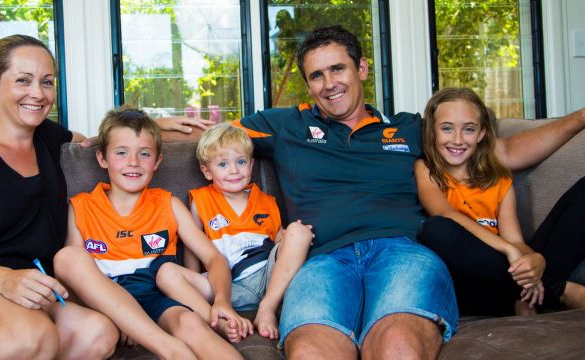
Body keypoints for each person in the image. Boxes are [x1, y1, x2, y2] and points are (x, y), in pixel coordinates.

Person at [225, 25, 585, 359]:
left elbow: (504, 152)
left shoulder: (408, 128)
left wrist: (580, 117)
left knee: (399, 346)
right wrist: (167, 123)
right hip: (322, 260)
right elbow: (214, 137)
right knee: (310, 352)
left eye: (338, 69)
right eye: (316, 75)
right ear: (308, 84)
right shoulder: (287, 124)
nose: (328, 83)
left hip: (403, 253)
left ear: (362, 69)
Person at [0, 34, 118, 359]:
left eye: (47, 82)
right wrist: (5, 280)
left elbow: (98, 141)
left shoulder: (49, 137)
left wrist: (154, 124)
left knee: (97, 334)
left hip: (33, 284)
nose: (38, 94)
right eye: (23, 80)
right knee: (31, 336)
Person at [53, 107, 245, 359]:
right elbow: (73, 279)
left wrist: (221, 301)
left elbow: (214, 259)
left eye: (144, 154)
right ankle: (167, 347)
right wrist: (118, 317)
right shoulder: (80, 207)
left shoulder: (169, 204)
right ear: (102, 158)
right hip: (106, 303)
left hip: (156, 296)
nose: (133, 162)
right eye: (121, 153)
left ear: (157, 162)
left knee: (190, 323)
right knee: (67, 256)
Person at [415, 87, 585, 316]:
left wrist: (535, 259)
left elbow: (514, 239)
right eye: (446, 128)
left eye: (468, 129)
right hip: (469, 285)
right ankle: (556, 289)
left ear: (482, 134)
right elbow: (445, 214)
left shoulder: (498, 178)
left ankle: (529, 293)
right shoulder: (426, 170)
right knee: (436, 230)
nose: (457, 139)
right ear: (431, 133)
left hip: (504, 276)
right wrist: (509, 250)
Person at [156, 124, 314, 342]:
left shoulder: (266, 202)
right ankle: (215, 319)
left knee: (298, 232)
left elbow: (279, 241)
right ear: (206, 171)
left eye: (241, 162)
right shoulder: (201, 200)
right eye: (223, 164)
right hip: (230, 285)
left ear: (251, 164)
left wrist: (293, 237)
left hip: (270, 276)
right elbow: (194, 246)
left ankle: (268, 307)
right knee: (166, 273)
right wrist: (194, 278)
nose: (234, 170)